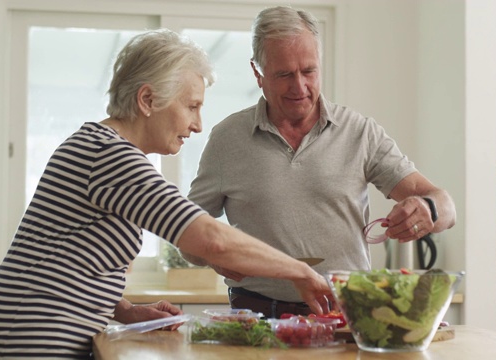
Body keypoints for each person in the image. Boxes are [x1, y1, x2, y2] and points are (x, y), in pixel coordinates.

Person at [0, 28, 331, 359]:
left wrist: (124, 309)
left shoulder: (99, 148)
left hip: (21, 330)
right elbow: (210, 238)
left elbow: (70, 260)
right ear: (147, 100)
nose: (198, 124)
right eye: (191, 106)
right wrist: (300, 272)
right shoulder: (109, 154)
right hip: (24, 338)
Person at [187, 6, 456, 318]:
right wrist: (212, 256)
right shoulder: (227, 140)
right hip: (258, 319)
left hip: (348, 316)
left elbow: (447, 207)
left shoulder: (360, 132)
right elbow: (187, 233)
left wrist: (428, 209)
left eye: (309, 71)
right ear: (257, 74)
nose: (299, 87)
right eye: (284, 74)